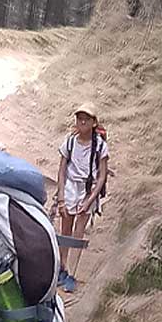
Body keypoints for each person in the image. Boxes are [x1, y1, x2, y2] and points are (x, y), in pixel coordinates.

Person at [53, 103, 109, 293]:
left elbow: (102, 176)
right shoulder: (69, 142)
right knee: (65, 230)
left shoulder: (100, 146)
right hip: (70, 187)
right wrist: (61, 197)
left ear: (94, 122)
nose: (82, 121)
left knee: (78, 234)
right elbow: (61, 170)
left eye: (86, 118)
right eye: (79, 117)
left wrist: (90, 199)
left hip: (87, 189)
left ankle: (72, 273)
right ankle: (62, 268)